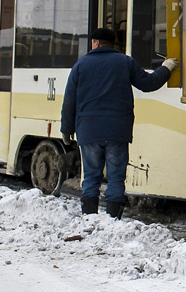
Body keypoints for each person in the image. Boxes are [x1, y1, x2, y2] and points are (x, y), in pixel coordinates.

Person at [60, 27, 177, 218]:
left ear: (95, 43)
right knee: (116, 177)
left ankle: (90, 216)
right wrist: (166, 68)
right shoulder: (125, 62)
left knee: (90, 176)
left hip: (88, 131)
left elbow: (69, 101)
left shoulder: (80, 65)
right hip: (117, 131)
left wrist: (66, 129)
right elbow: (148, 84)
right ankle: (113, 217)